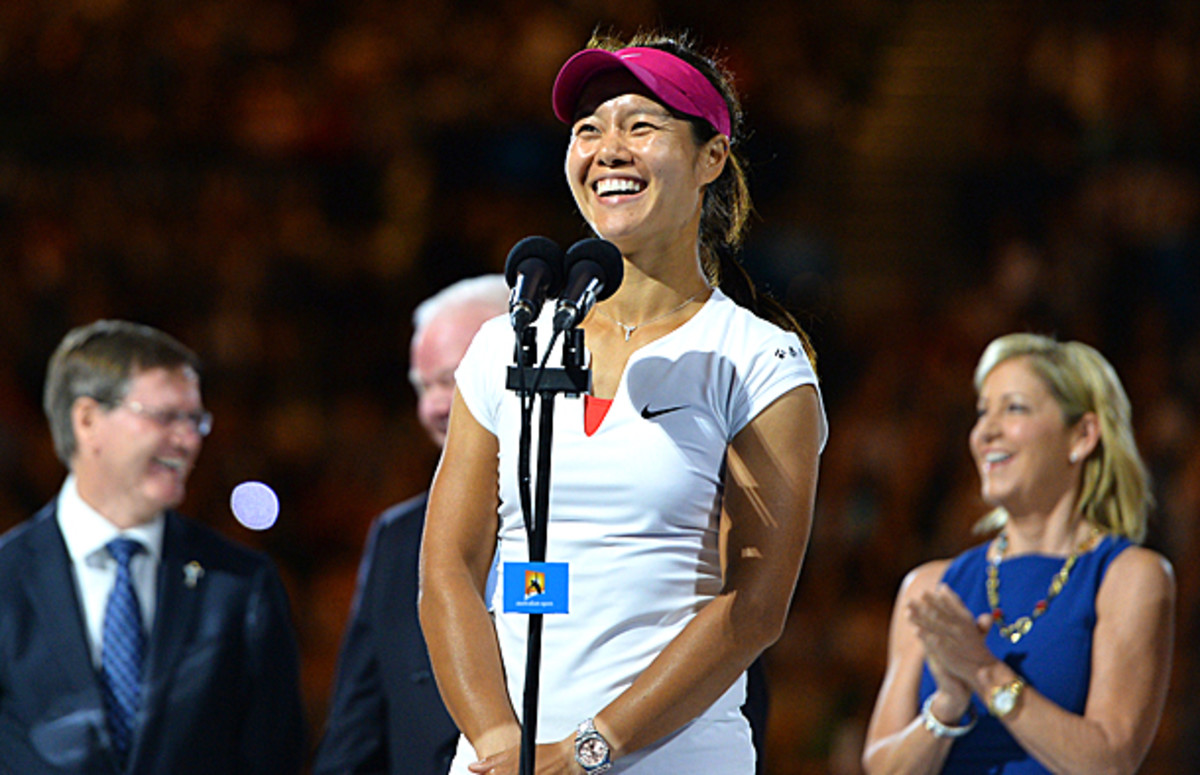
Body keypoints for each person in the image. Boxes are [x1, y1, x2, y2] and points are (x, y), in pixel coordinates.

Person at [419, 31, 827, 775]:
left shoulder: (758, 360)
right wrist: (499, 743)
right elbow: (448, 565)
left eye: (641, 125)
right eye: (587, 129)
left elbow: (753, 607)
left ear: (711, 159)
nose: (608, 147)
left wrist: (586, 750)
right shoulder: (507, 343)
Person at [0, 319, 306, 775]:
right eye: (164, 417)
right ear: (87, 420)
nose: (188, 441)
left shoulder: (240, 585)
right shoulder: (6, 578)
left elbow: (273, 757)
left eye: (195, 420)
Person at [862, 333, 1175, 774]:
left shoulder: (1129, 576)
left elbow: (1110, 761)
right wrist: (947, 705)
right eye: (982, 412)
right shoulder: (930, 587)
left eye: (1014, 408)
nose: (985, 432)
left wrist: (985, 674)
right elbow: (882, 767)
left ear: (1082, 436)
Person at [313, 275, 510, 775]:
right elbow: (357, 728)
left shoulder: (594, 518)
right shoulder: (397, 538)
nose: (434, 407)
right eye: (423, 387)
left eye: (451, 380)